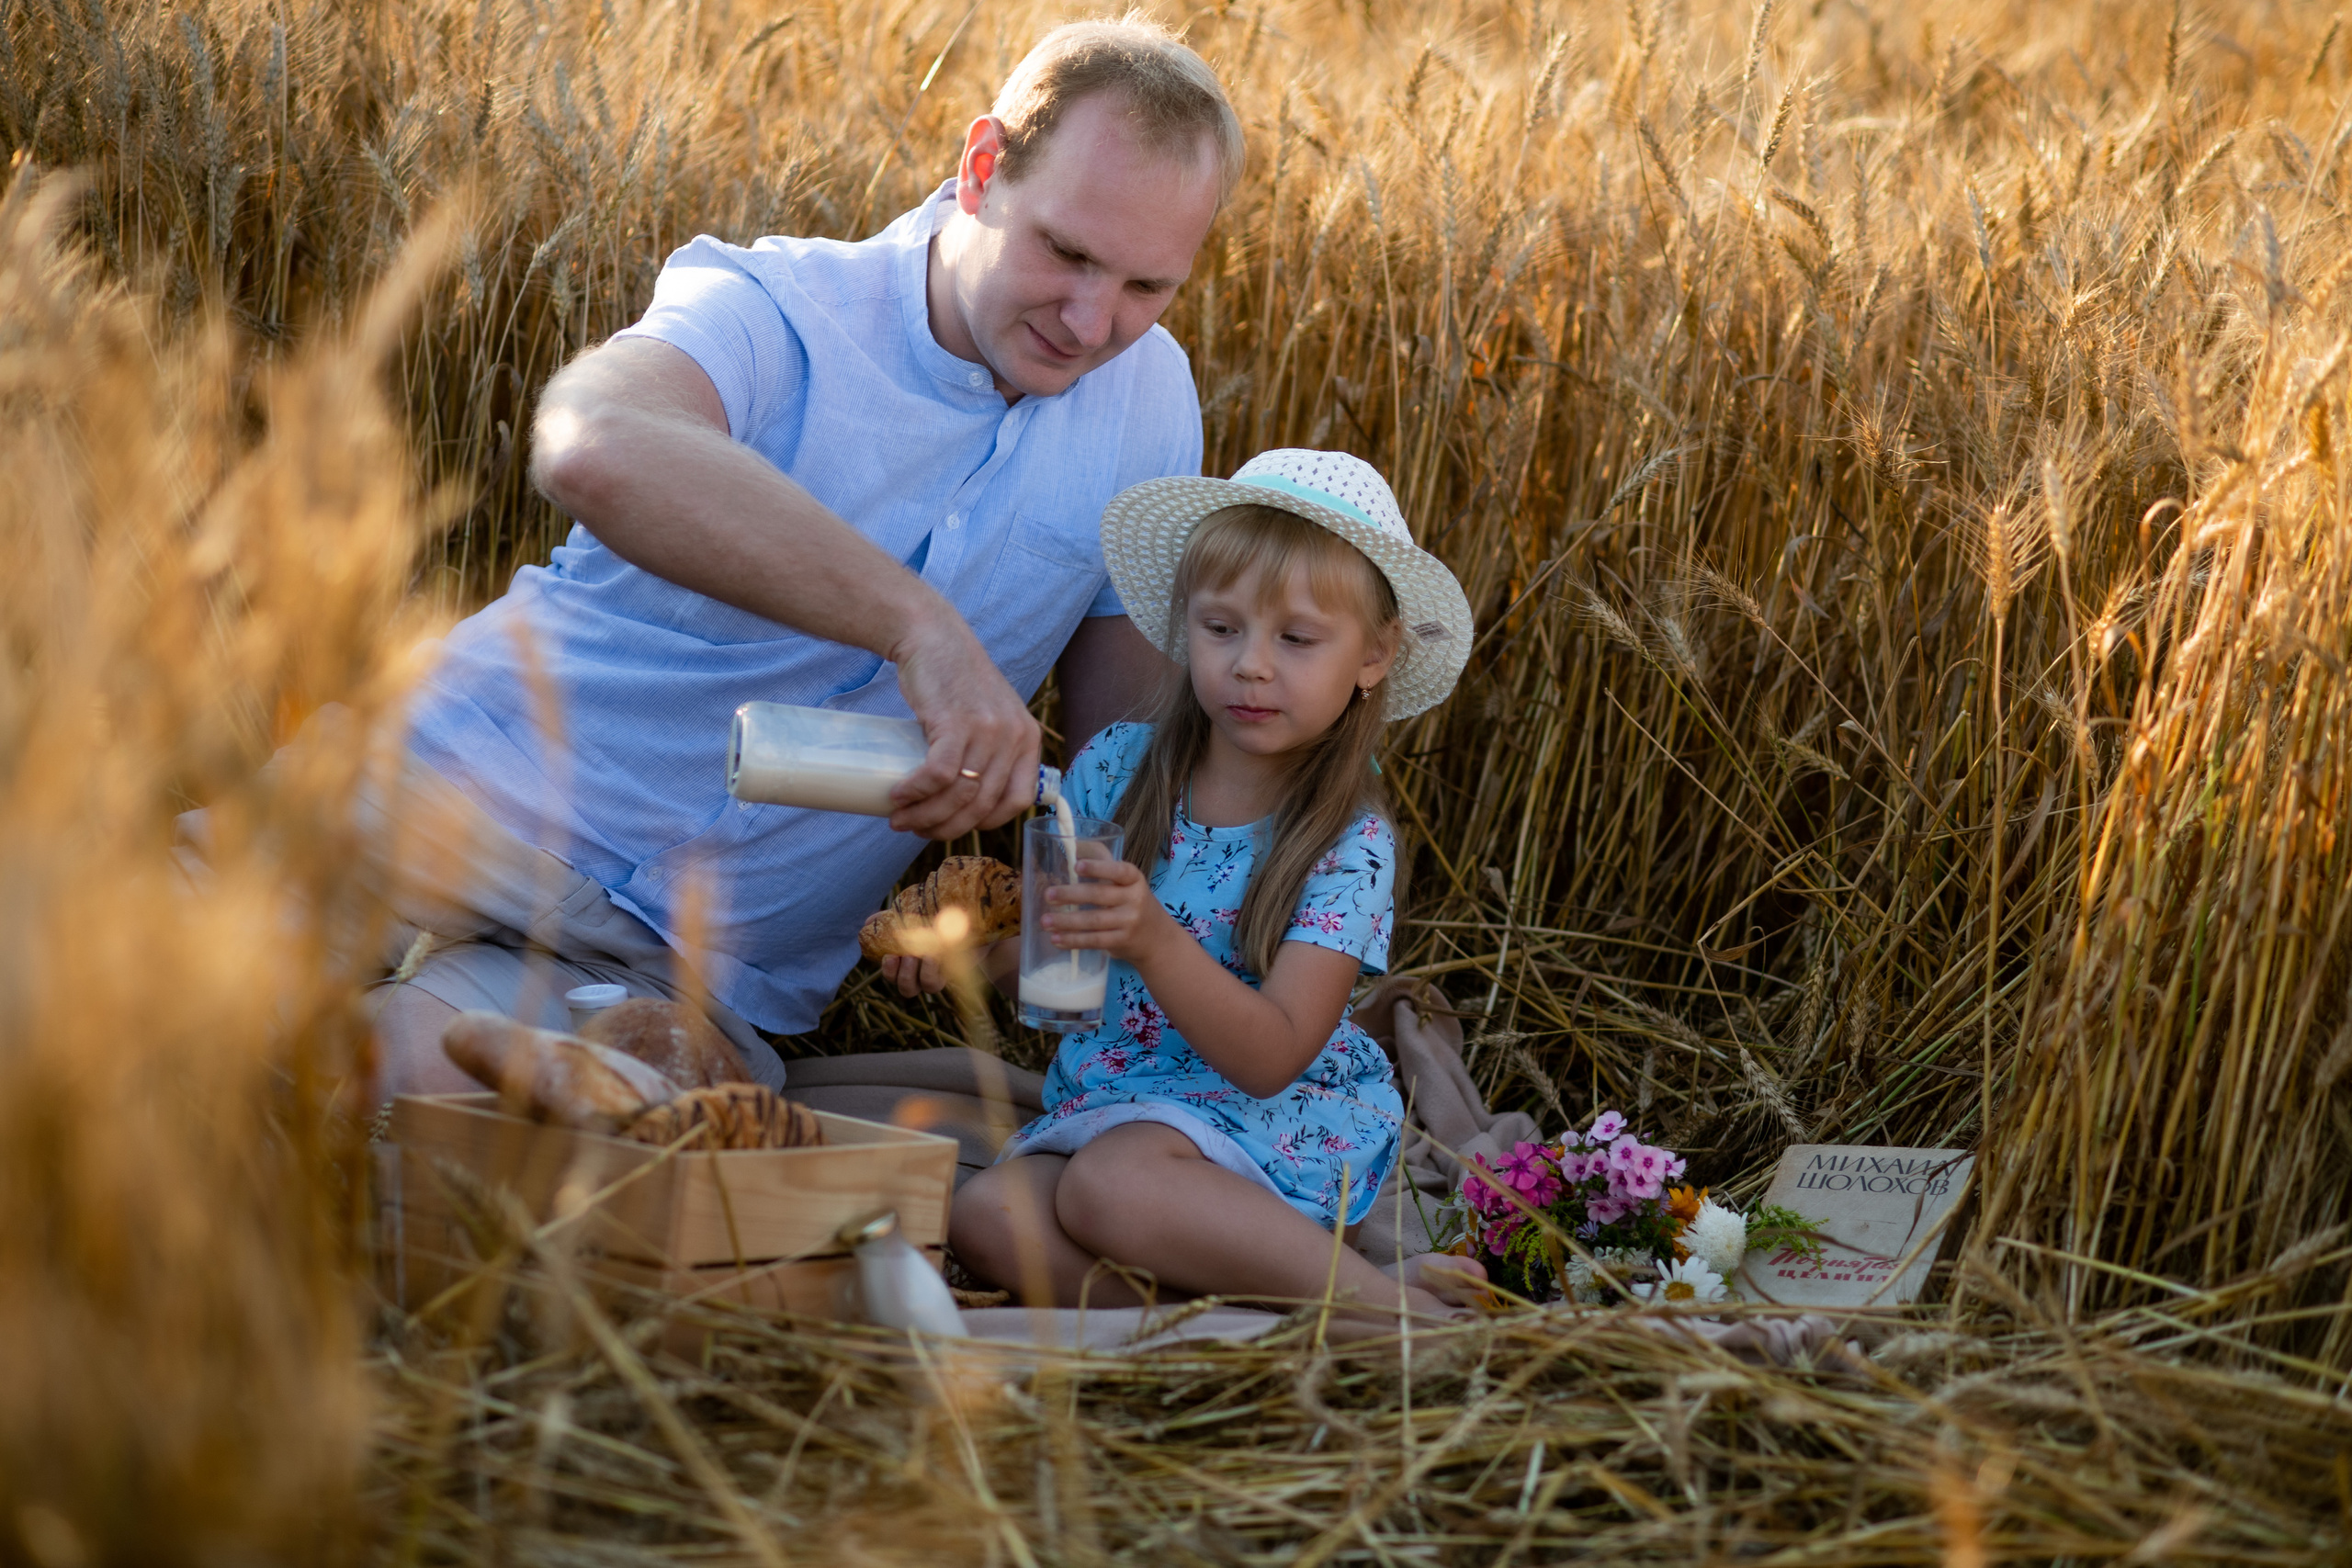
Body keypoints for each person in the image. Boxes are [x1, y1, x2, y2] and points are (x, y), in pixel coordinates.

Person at [356, 19, 1246, 1098]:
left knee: (385, 1094)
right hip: (434, 806)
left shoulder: (1150, 408)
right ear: (980, 170)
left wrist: (1040, 949)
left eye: (1148, 287)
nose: (1092, 319)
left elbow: (1117, 767)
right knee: (160, 1026)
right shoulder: (778, 310)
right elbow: (593, 443)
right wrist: (921, 631)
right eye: (1064, 251)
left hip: (679, 973)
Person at [929, 448, 1486, 1337]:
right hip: (1115, 1096)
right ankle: (1287, 1325)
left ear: (1375, 654)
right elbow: (1055, 988)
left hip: (1271, 1117)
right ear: (1186, 627)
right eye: (1221, 628)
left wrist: (1154, 940)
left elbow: (1271, 1057)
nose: (1251, 666)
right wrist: (967, 957)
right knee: (988, 1216)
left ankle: (1383, 1308)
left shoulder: (1350, 841)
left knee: (1113, 1187)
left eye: (1296, 640)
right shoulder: (1114, 770)